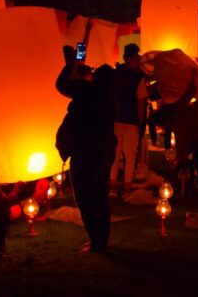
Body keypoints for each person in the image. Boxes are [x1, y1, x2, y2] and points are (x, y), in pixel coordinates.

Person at [56, 47, 117, 253]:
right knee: (99, 195)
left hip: (86, 151)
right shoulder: (108, 98)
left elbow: (62, 85)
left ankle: (96, 240)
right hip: (103, 149)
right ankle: (101, 238)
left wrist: (73, 62)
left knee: (86, 195)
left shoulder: (89, 92)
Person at [110, 43, 148, 192]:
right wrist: (140, 121)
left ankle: (112, 182)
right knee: (130, 154)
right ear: (133, 58)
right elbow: (140, 102)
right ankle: (127, 184)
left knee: (115, 152)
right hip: (131, 120)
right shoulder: (138, 78)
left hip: (116, 119)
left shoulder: (115, 74)